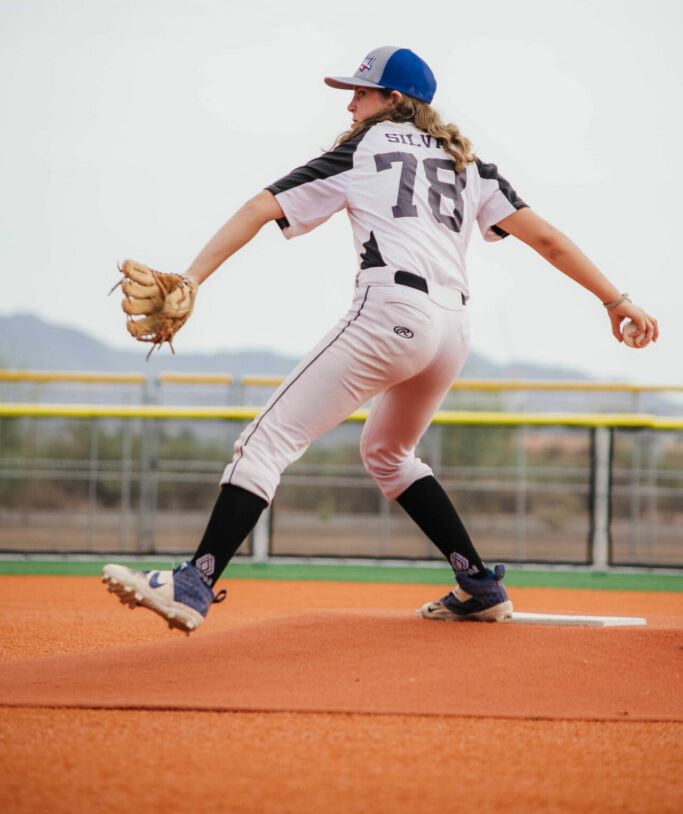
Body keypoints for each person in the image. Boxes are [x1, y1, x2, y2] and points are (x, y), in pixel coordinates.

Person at [102, 46, 658, 632]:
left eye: (362, 92)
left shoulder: (363, 146)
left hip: (392, 309)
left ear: (396, 101)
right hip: (452, 329)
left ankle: (194, 581)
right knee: (389, 454)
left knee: (265, 442)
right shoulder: (468, 161)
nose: (351, 102)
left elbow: (259, 207)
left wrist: (192, 277)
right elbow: (547, 238)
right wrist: (616, 300)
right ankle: (479, 584)